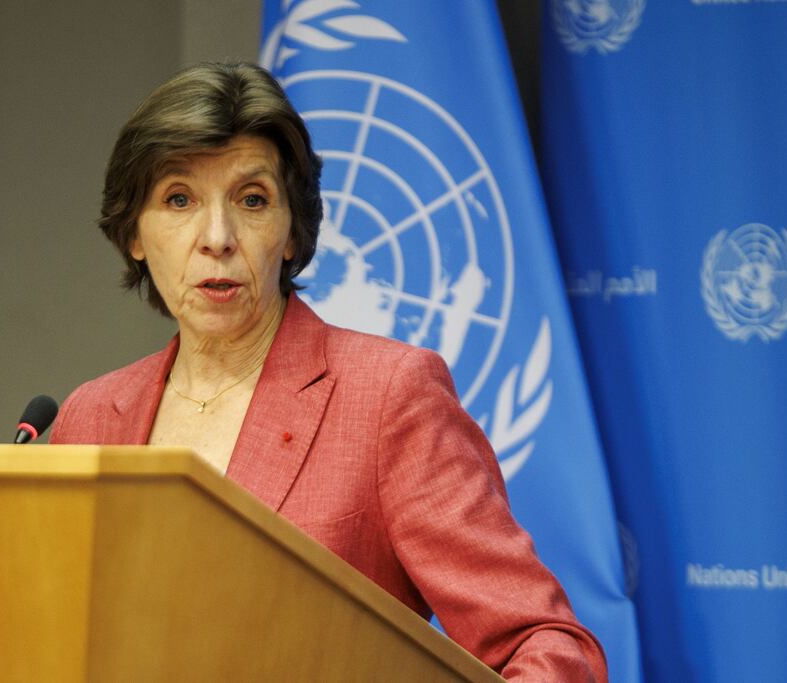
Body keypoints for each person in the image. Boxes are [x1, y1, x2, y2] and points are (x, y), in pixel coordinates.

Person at [51, 61, 607, 681]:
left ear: (290, 232)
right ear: (134, 231)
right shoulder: (90, 416)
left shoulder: (388, 397)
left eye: (252, 200)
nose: (217, 237)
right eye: (179, 199)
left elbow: (544, 644)